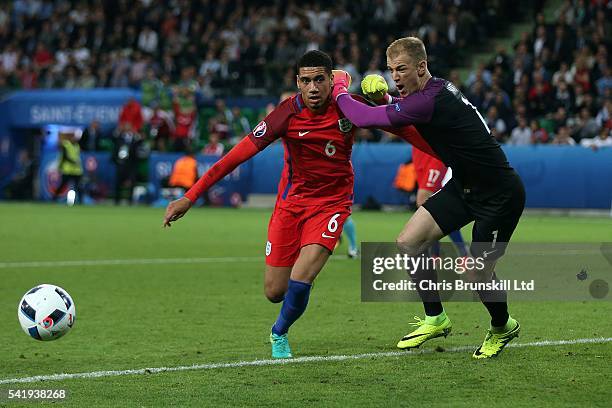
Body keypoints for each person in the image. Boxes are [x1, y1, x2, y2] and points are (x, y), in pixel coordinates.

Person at [332, 37, 525, 359]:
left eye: (402, 69)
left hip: (499, 195)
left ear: (421, 67)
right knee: (409, 242)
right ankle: (436, 317)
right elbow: (400, 111)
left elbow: (366, 119)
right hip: (464, 187)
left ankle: (503, 327)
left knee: (478, 272)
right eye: (392, 70)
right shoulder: (431, 93)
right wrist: (387, 99)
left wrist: (339, 88)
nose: (395, 76)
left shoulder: (430, 100)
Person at [163, 51, 359, 359]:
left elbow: (393, 119)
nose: (312, 88)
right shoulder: (285, 114)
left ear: (329, 80)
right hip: (291, 205)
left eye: (319, 79)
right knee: (274, 291)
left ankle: (279, 332)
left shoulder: (348, 106)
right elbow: (234, 157)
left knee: (303, 274)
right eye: (305, 81)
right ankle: (286, 305)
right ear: (297, 82)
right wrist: (191, 195)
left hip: (332, 203)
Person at [53, 129, 83, 203]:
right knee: (62, 185)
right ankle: (54, 198)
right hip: (67, 170)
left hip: (77, 170)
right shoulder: (66, 145)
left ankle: (81, 201)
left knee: (79, 186)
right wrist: (60, 167)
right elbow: (64, 157)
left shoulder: (77, 146)